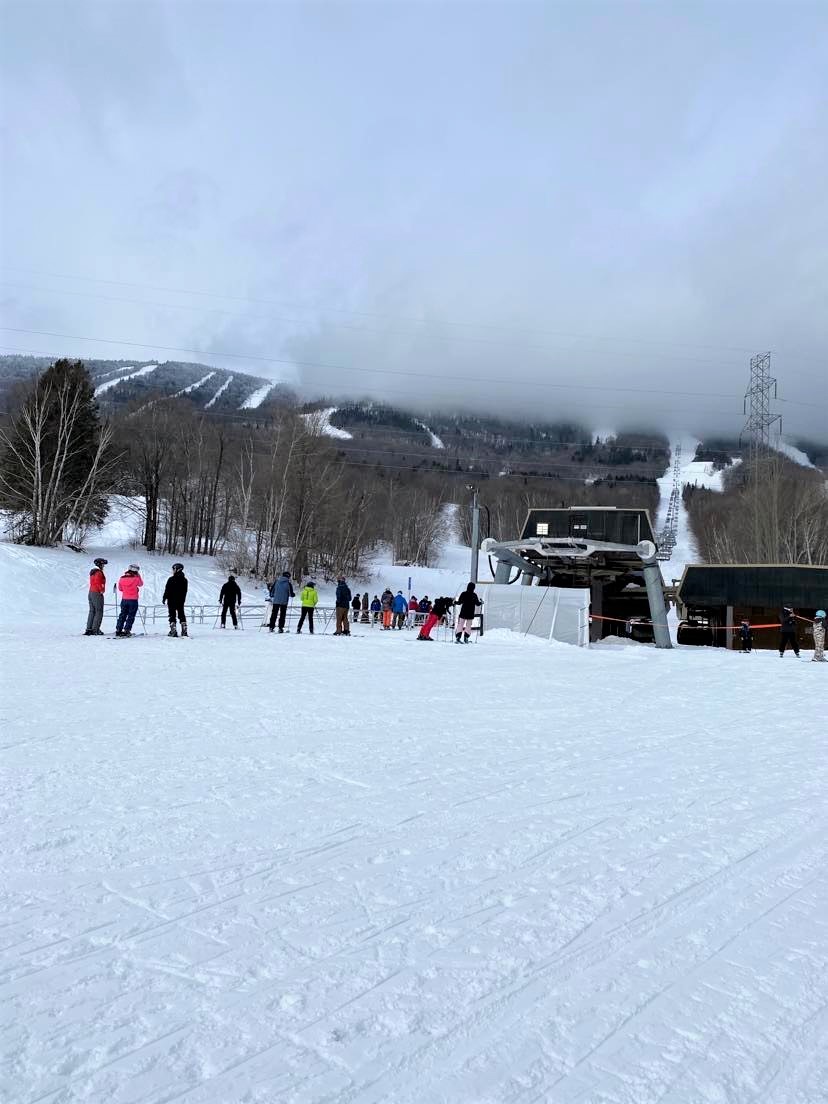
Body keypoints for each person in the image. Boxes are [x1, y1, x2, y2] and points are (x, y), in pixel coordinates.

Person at [115, 564, 143, 637]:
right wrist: (138, 576)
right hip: (133, 600)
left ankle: (118, 629)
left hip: (124, 599)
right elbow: (141, 584)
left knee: (122, 614)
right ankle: (127, 630)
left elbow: (120, 589)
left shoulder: (122, 578)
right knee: (131, 615)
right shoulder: (136, 578)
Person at [163, 562, 189, 637]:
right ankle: (184, 630)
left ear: (177, 569)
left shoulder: (171, 579)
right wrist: (183, 599)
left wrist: (164, 597)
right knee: (181, 614)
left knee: (172, 615)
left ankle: (173, 630)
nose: (173, 570)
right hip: (180, 600)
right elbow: (185, 591)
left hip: (171, 600)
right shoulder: (185, 580)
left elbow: (167, 590)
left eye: (174, 569)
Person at [84, 557, 108, 635]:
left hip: (91, 592)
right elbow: (98, 582)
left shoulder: (93, 572)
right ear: (100, 564)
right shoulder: (98, 572)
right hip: (97, 593)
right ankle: (95, 629)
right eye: (103, 564)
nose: (103, 566)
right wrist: (101, 590)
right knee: (99, 611)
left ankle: (89, 628)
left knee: (92, 611)